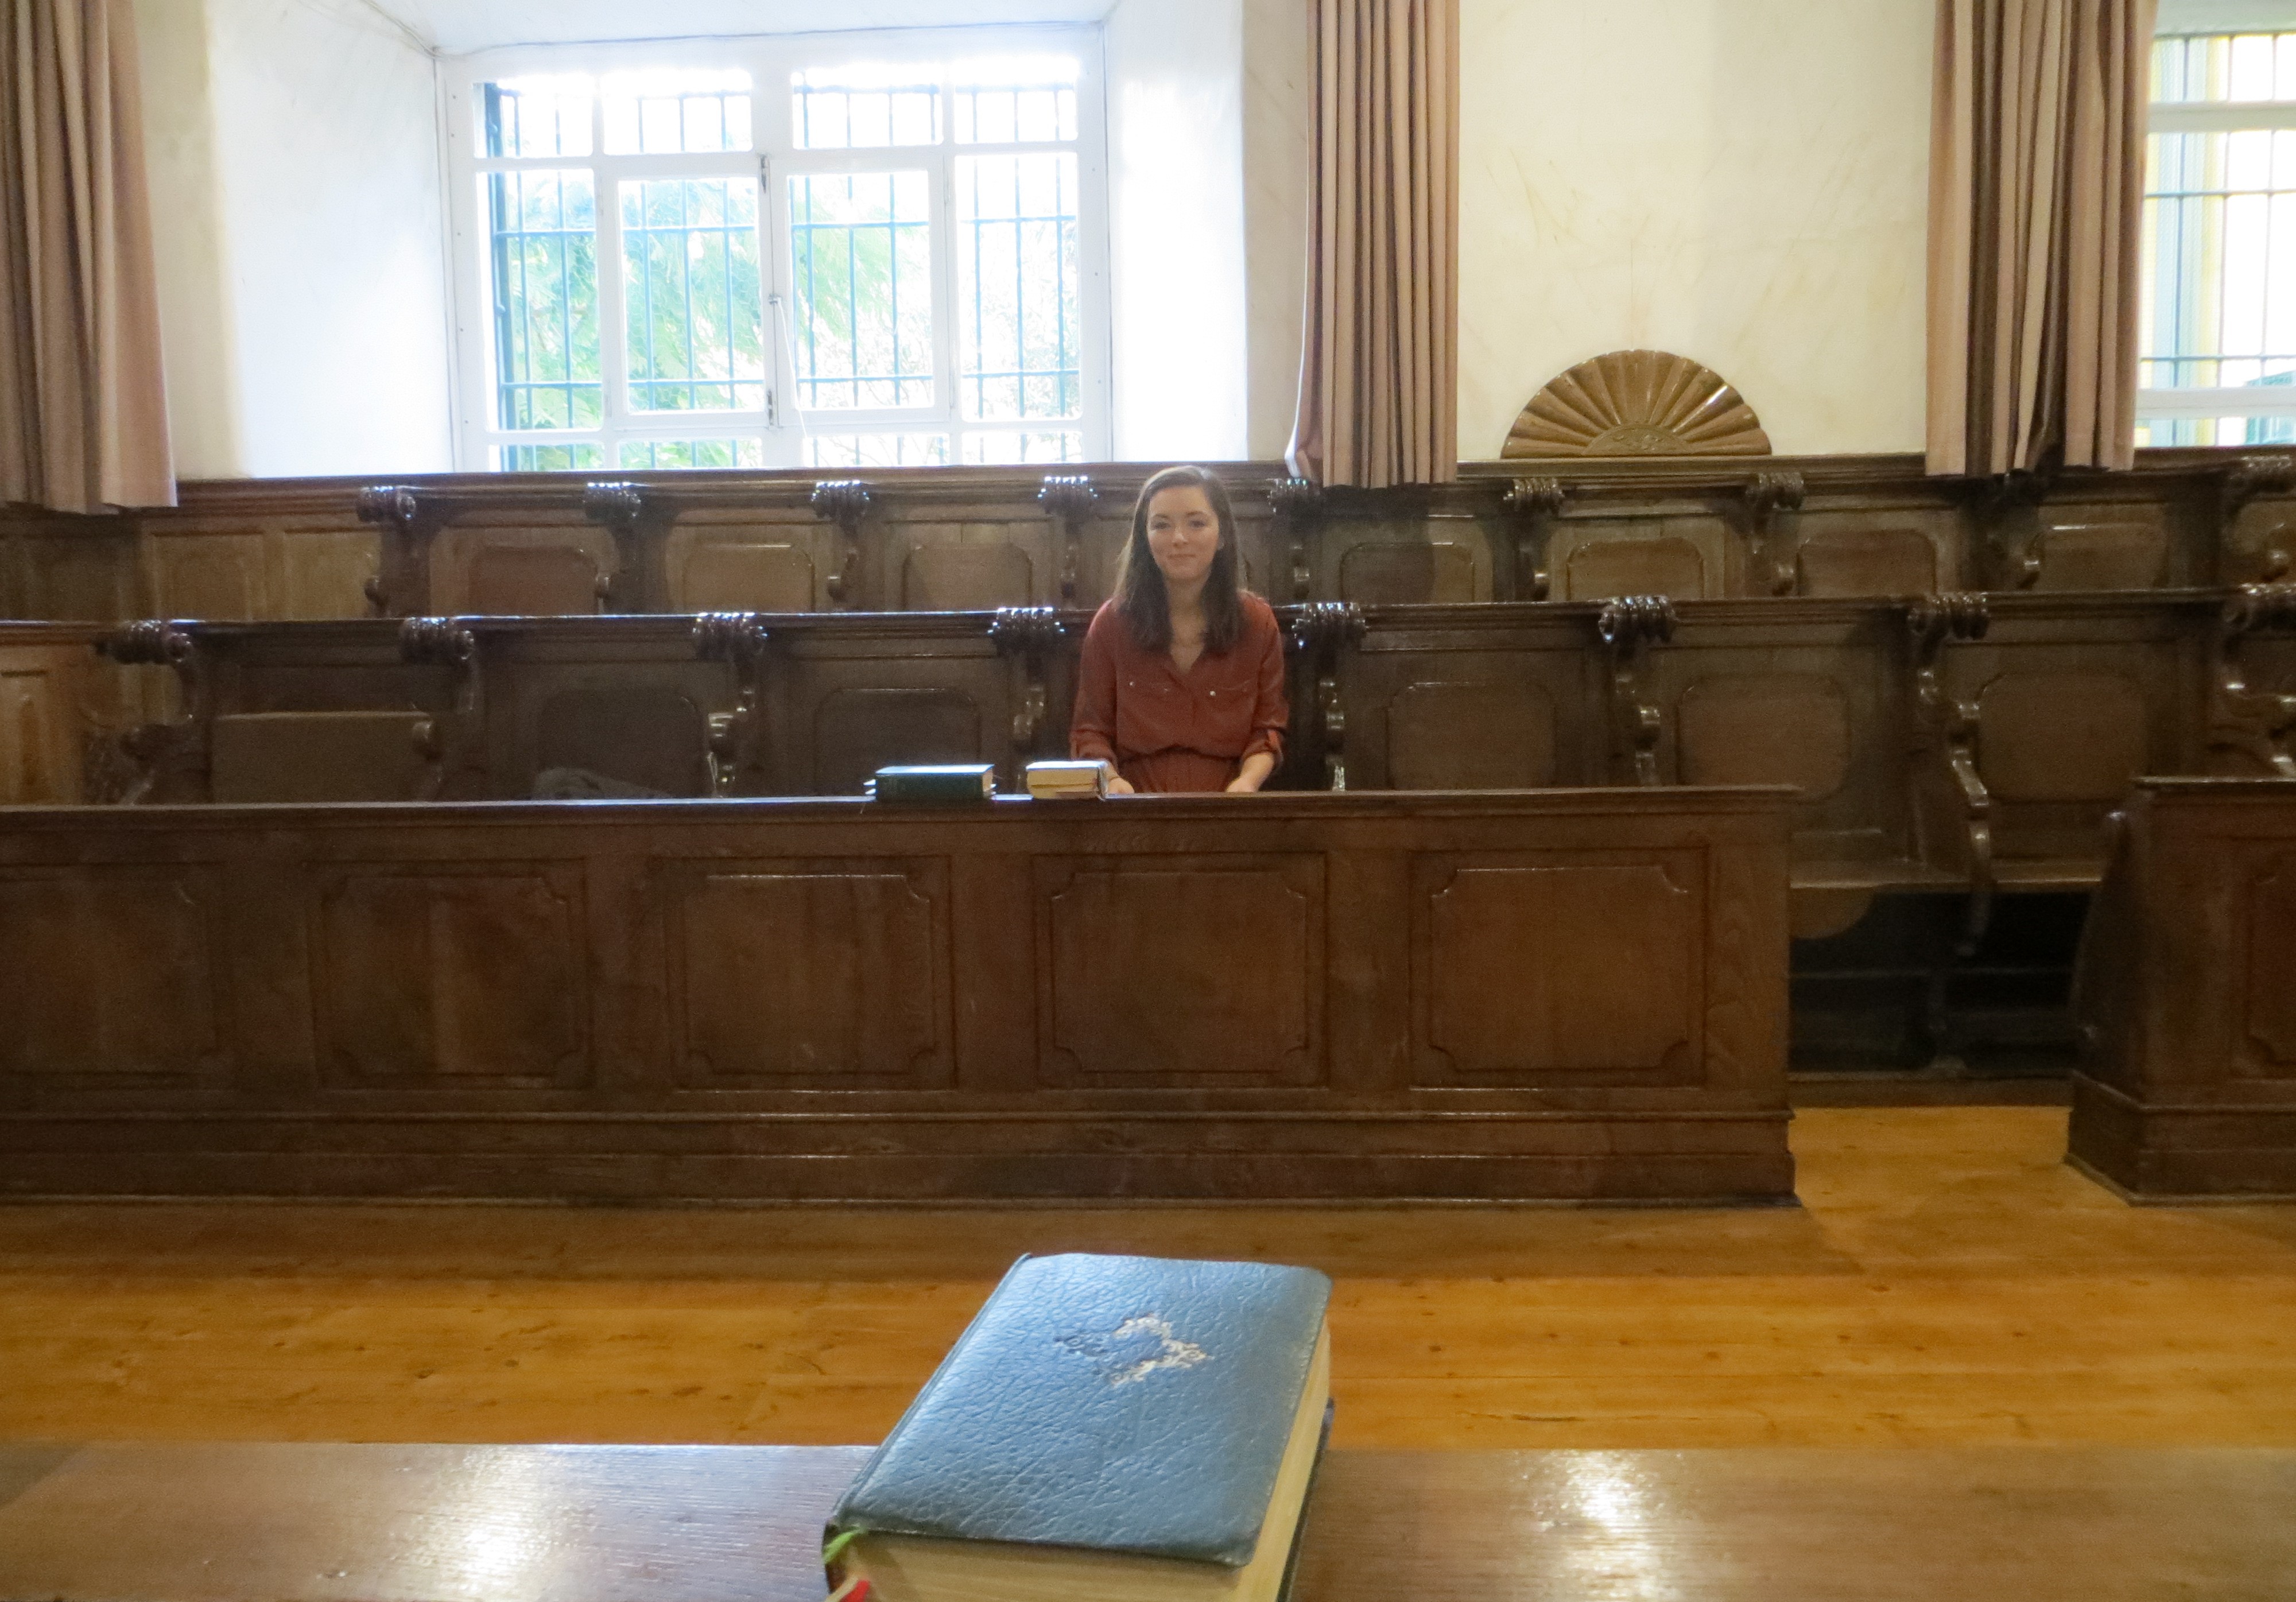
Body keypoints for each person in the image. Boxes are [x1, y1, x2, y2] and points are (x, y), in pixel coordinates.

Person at [1070, 464, 1289, 794]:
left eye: (1196, 523)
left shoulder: (1257, 622)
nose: (1179, 539)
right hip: (1133, 810)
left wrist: (1247, 783)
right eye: (1161, 525)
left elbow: (1267, 731)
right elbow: (1090, 731)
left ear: (1223, 536)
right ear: (1145, 538)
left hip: (1230, 809)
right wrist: (1113, 781)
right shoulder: (1112, 623)